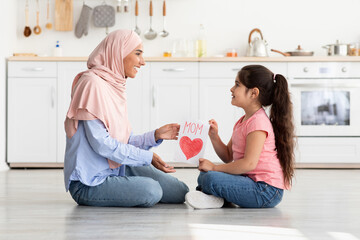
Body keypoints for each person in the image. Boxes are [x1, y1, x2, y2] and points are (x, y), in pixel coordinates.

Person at [64, 29, 189, 207]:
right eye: (138, 54)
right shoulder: (91, 84)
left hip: (117, 168)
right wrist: (148, 157)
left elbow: (122, 141)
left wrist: (155, 135)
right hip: (90, 182)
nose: (143, 62)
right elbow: (102, 144)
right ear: (118, 53)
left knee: (180, 191)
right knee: (152, 190)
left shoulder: (115, 85)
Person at [185, 65, 295, 209]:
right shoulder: (243, 121)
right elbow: (228, 155)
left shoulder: (258, 123)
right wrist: (214, 136)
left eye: (237, 85)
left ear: (253, 93)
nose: (232, 89)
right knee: (205, 176)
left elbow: (249, 164)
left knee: (210, 177)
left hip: (265, 191)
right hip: (250, 182)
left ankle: (215, 198)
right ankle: (216, 198)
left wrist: (214, 167)